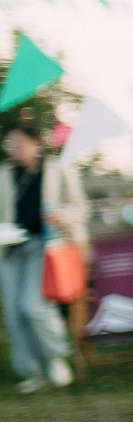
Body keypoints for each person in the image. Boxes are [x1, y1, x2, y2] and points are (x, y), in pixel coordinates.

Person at [2, 125, 79, 391]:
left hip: (43, 247)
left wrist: (62, 218)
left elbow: (79, 207)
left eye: (19, 144)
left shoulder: (57, 170)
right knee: (14, 314)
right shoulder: (4, 174)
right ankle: (33, 371)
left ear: (36, 144)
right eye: (10, 144)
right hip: (9, 250)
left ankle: (56, 359)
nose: (14, 149)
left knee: (32, 307)